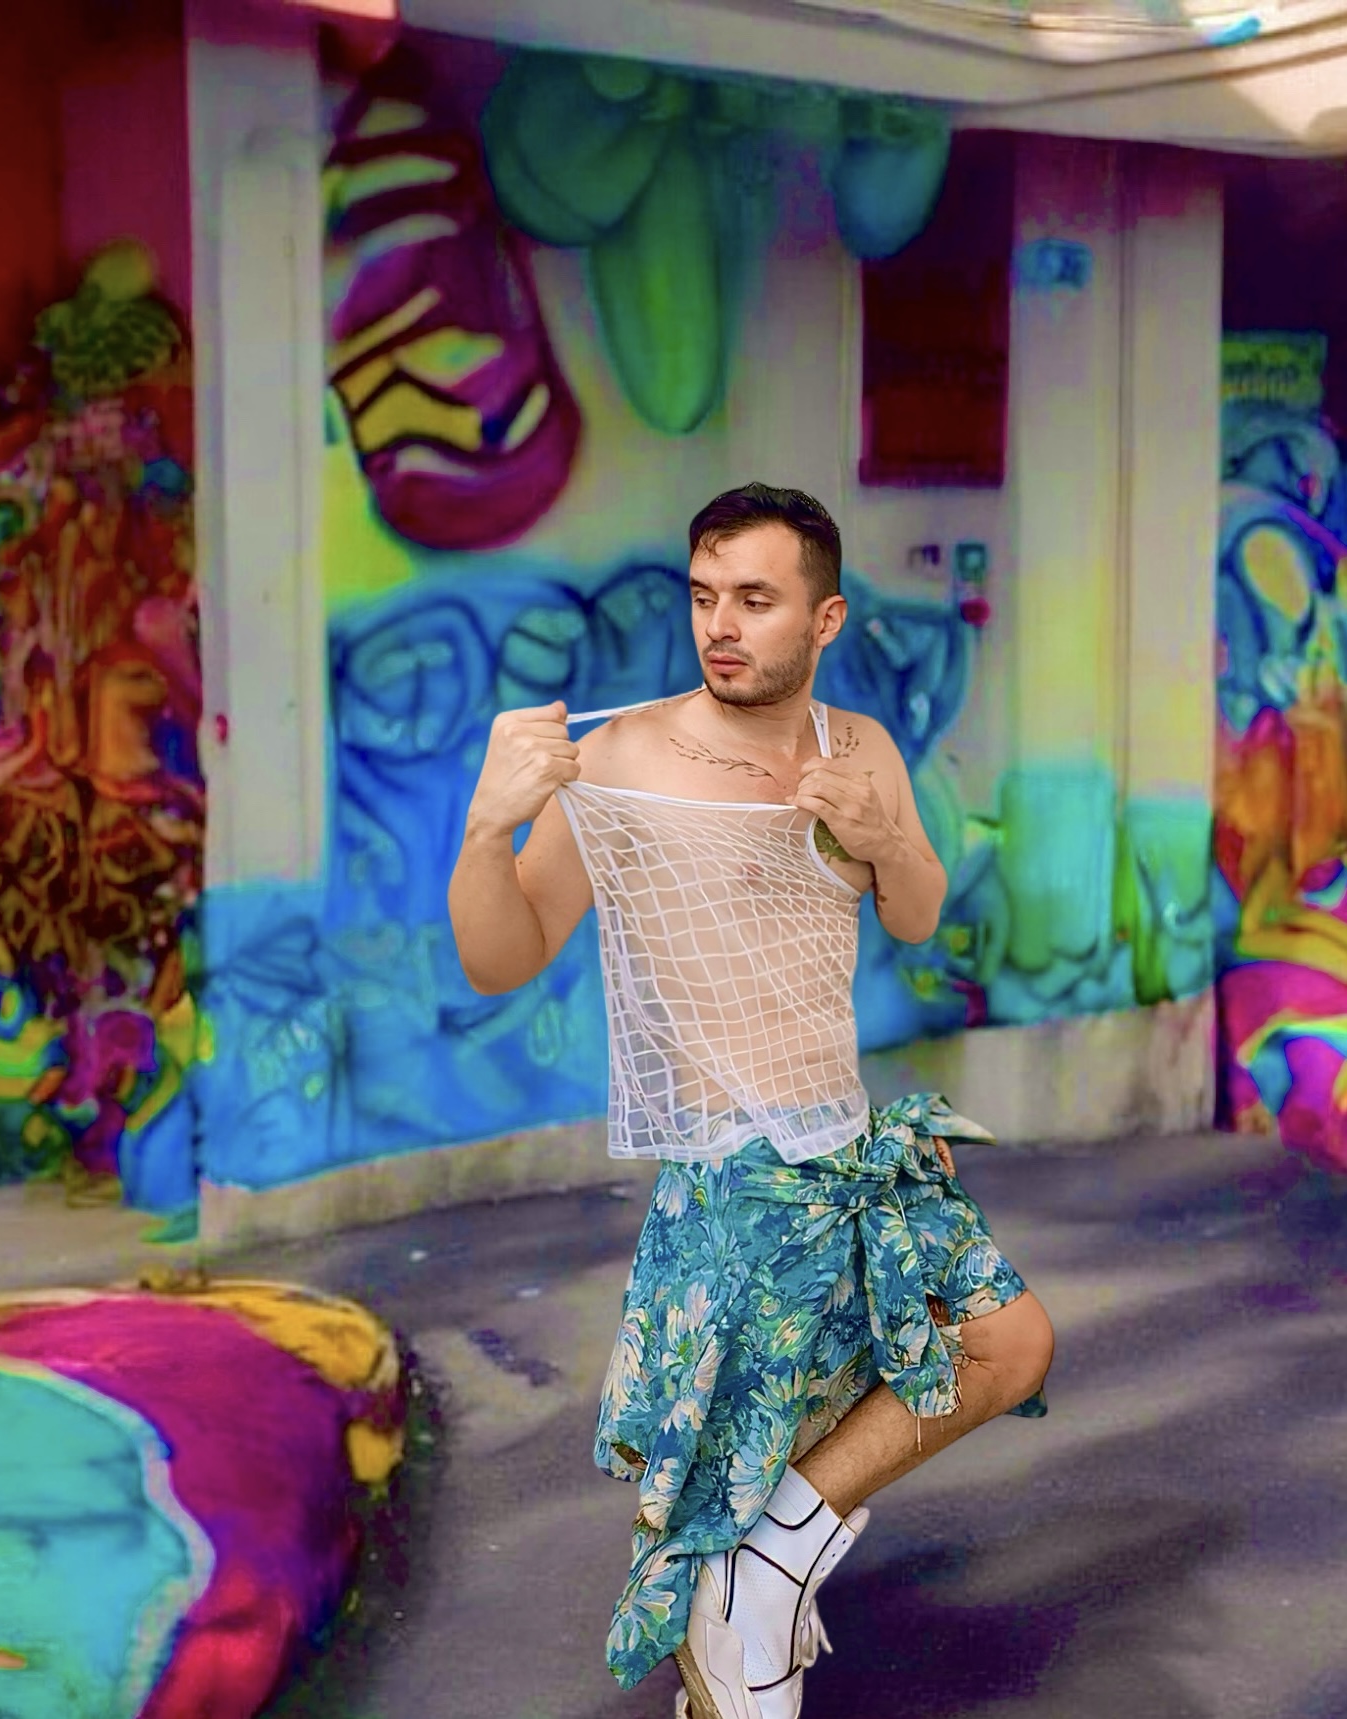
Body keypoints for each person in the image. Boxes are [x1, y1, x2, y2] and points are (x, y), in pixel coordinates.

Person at [449, 484, 1053, 1719]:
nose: (720, 626)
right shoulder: (620, 758)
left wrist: (887, 835)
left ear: (824, 620)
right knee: (758, 1485)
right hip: (738, 1184)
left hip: (858, 1154)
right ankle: (745, 1603)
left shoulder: (859, 747)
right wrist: (485, 833)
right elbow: (502, 957)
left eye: (755, 600)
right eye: (705, 597)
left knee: (1006, 1346)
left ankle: (756, 1574)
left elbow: (918, 914)